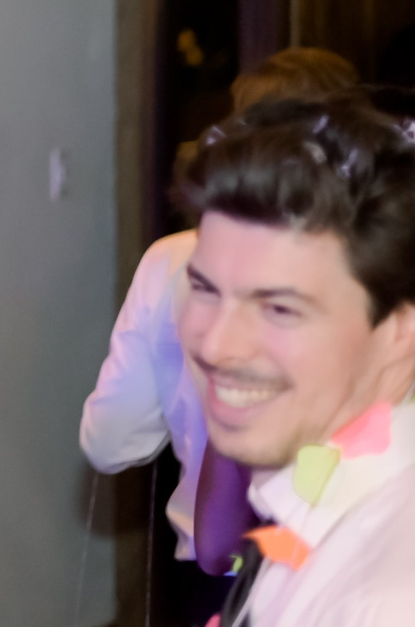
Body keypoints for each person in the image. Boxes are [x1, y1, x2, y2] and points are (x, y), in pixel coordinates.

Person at [79, 46, 360, 604]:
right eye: (207, 289)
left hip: (258, 573)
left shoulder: (175, 262)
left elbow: (111, 440)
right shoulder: (371, 267)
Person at [174, 95, 415, 626]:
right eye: (205, 289)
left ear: (401, 327)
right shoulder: (322, 501)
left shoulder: (382, 602)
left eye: (279, 308)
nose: (216, 346)